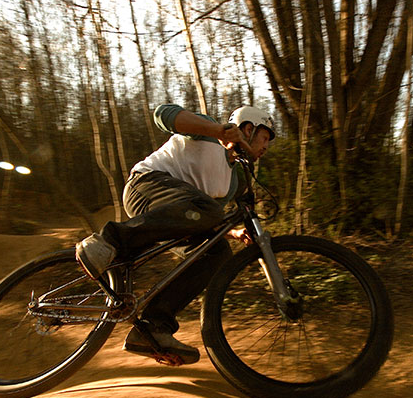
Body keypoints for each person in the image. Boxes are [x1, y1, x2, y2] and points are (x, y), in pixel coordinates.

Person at [75, 104, 275, 365]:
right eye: (265, 138)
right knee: (207, 212)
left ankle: (152, 327)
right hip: (145, 187)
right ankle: (107, 240)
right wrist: (218, 131)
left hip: (173, 214)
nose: (266, 147)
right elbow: (163, 115)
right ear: (248, 129)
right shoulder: (208, 131)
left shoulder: (232, 181)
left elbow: (201, 219)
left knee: (217, 252)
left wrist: (232, 233)